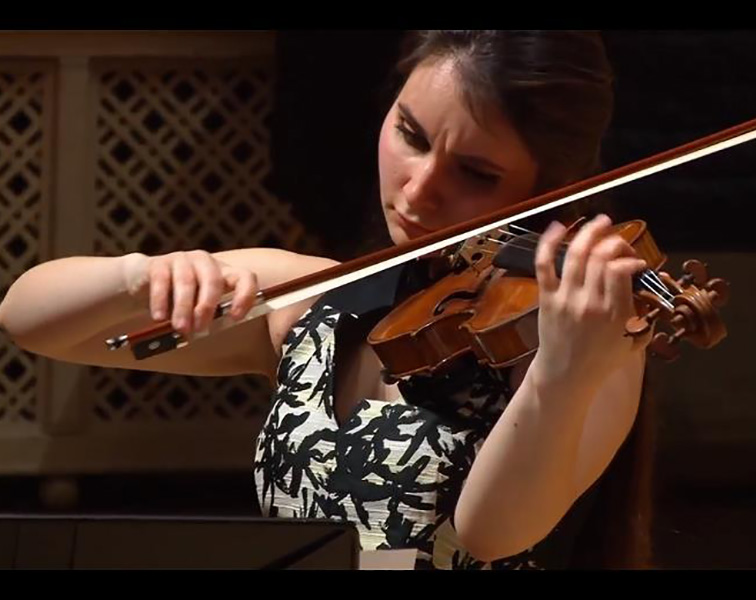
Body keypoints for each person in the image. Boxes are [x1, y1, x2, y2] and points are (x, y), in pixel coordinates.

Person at [0, 30, 656, 569]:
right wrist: (142, 277)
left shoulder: (583, 336)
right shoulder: (314, 297)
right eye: (411, 134)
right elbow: (30, 321)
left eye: (476, 174)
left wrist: (563, 374)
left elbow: (490, 535)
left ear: (551, 187)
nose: (420, 188)